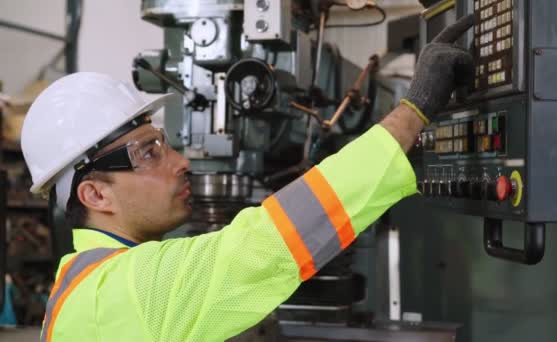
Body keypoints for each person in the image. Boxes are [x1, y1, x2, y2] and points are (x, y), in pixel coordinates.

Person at [22, 15, 475, 342]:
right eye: (148, 152)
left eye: (163, 141)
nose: (180, 162)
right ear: (95, 193)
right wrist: (412, 111)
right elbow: (267, 243)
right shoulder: (132, 290)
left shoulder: (79, 286)